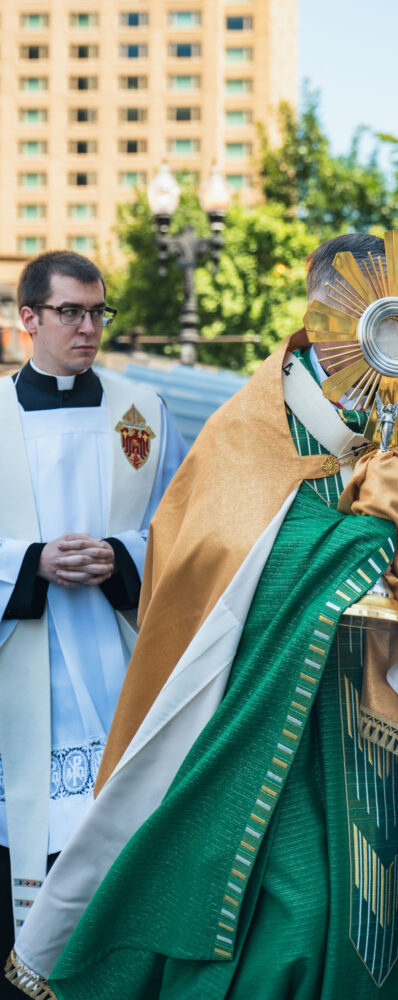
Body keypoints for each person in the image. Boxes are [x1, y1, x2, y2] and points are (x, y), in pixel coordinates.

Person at [6, 235, 398, 1000]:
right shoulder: (259, 409)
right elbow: (210, 542)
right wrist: (353, 546)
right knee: (293, 893)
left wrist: (389, 509)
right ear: (316, 302)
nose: (353, 316)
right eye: (341, 297)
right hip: (287, 692)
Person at [0, 251, 187, 994]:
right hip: (25, 665)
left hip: (119, 660)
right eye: (71, 312)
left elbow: (183, 529)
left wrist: (123, 557)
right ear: (28, 319)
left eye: (98, 312)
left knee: (121, 848)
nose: (88, 327)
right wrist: (29, 564)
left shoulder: (141, 409)